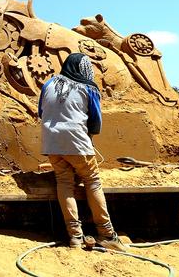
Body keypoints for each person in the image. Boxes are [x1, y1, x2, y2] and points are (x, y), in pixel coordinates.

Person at [38, 53, 127, 251]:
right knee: (92, 181)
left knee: (64, 182)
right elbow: (95, 123)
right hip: (77, 142)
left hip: (51, 143)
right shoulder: (89, 87)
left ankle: (75, 238)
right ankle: (106, 234)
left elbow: (41, 113)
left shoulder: (49, 84)